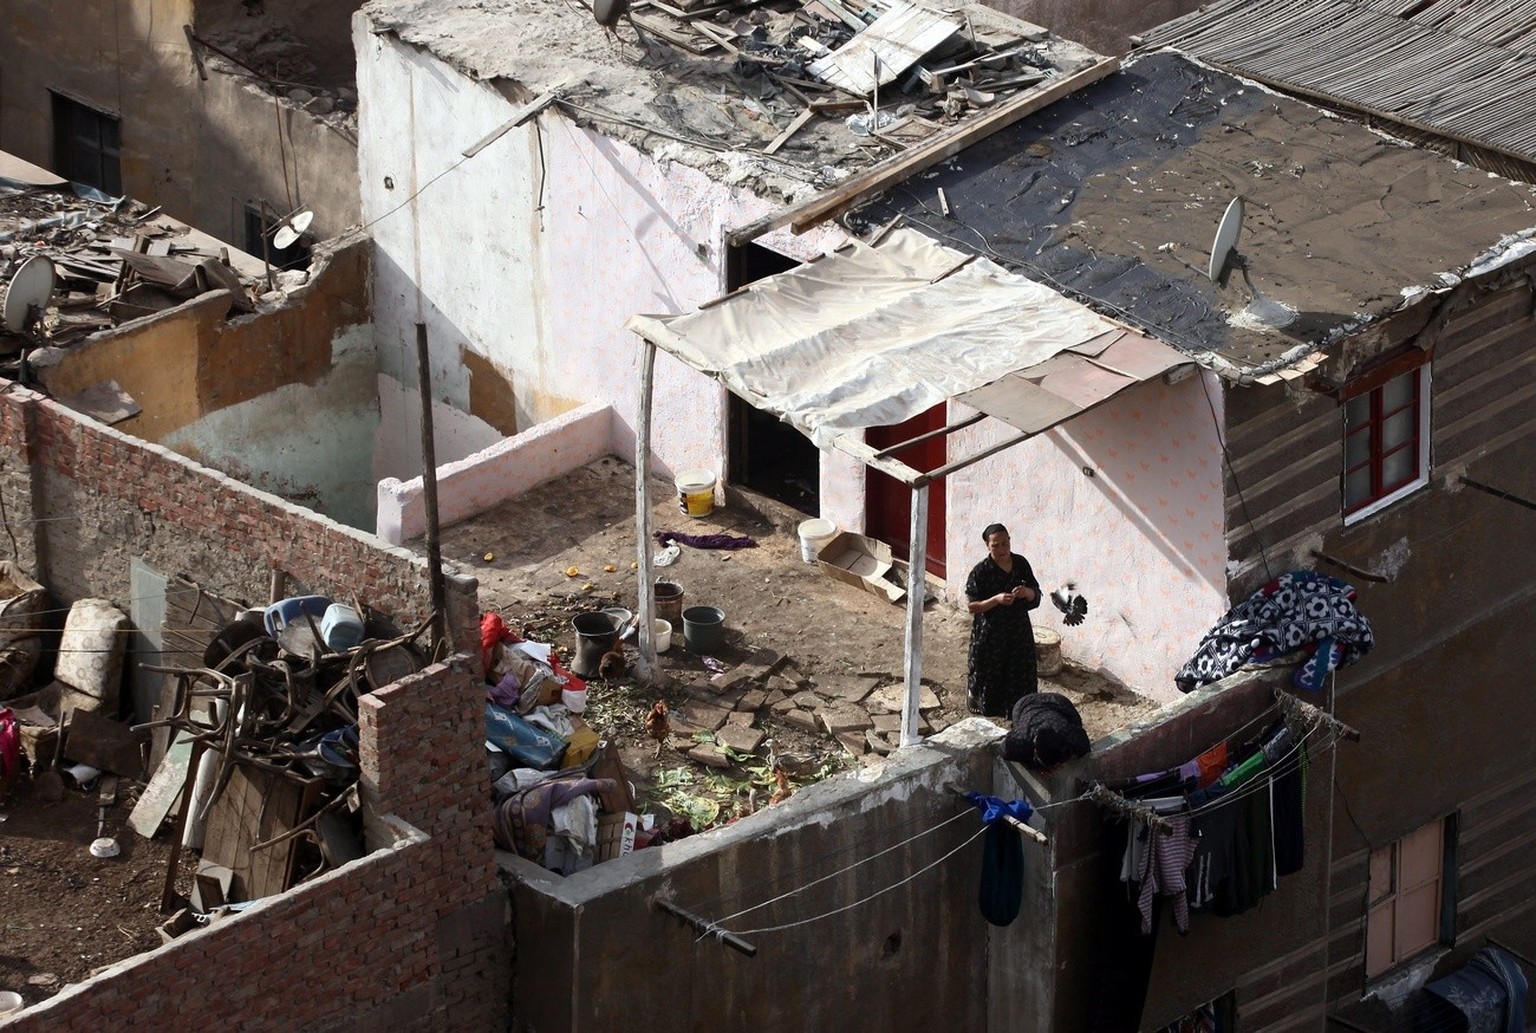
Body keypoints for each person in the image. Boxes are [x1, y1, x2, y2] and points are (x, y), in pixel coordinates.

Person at [965, 523, 1042, 717]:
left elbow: (1036, 593)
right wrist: (996, 600)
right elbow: (972, 606)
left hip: (1018, 630)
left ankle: (1021, 710)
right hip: (991, 632)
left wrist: (1027, 592)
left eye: (1005, 543)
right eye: (996, 545)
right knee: (991, 671)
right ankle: (990, 708)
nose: (1002, 549)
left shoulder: (1021, 564)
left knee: (1020, 672)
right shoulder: (980, 572)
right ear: (987, 546)